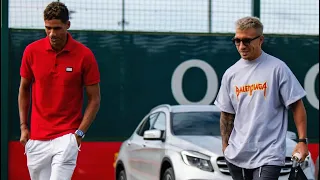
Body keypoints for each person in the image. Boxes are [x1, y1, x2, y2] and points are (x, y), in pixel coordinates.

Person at [214, 16, 309, 180]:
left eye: (247, 41)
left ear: (260, 40)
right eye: (237, 41)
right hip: (237, 154)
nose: (242, 46)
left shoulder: (277, 68)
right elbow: (227, 113)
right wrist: (226, 147)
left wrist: (302, 141)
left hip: (269, 154)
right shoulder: (231, 74)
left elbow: (297, 105)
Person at [18, 2, 101, 180]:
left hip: (67, 137)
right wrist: (24, 127)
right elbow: (24, 89)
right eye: (48, 28)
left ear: (68, 25)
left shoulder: (85, 55)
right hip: (36, 138)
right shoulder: (31, 52)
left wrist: (79, 134)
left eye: (57, 28)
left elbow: (94, 99)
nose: (52, 34)